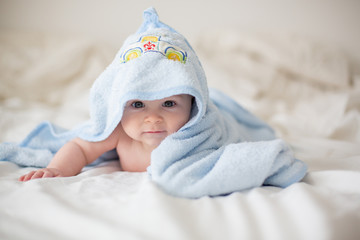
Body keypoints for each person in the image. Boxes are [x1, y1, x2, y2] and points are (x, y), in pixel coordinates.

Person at [19, 94, 193, 181]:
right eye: (138, 104)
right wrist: (58, 169)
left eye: (169, 103)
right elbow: (80, 147)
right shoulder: (119, 132)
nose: (153, 118)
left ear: (192, 107)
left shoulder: (195, 137)